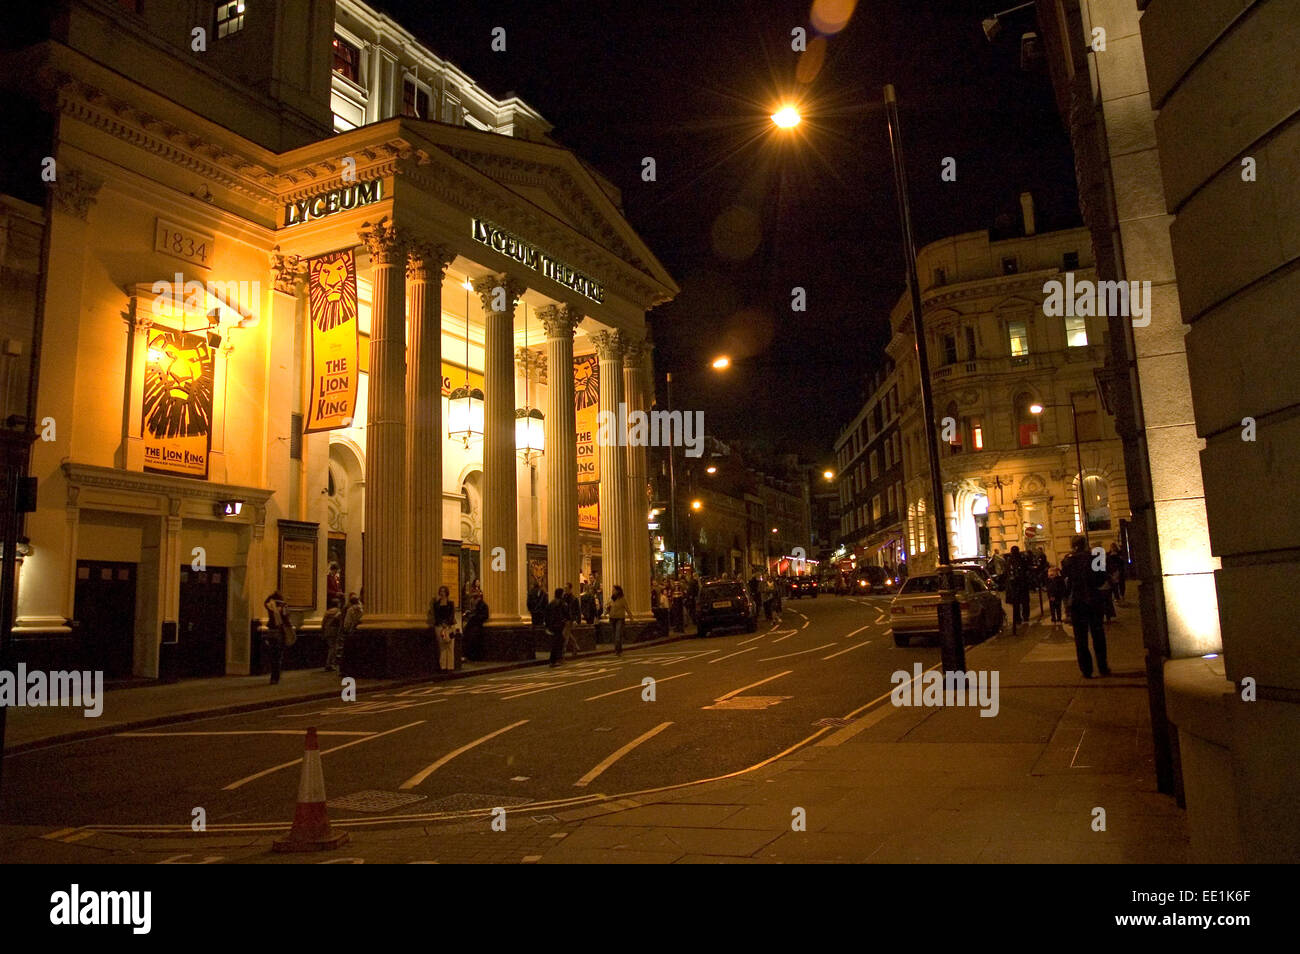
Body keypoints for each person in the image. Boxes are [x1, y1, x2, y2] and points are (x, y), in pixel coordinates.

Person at [1062, 534, 1110, 677]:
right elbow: (1101, 580)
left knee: (1080, 638)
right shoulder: (1095, 558)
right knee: (1098, 635)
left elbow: (1067, 584)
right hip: (1094, 600)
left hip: (1077, 602)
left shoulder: (1067, 561)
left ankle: (1086, 670)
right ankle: (1102, 667)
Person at [262, 590, 288, 684]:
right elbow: (286, 619)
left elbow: (265, 602)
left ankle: (273, 677)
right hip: (279, 632)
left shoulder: (270, 607)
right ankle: (276, 677)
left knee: (273, 655)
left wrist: (270, 596)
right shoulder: (283, 608)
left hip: (270, 632)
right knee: (278, 655)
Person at [1004, 546, 1032, 634]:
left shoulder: (1010, 560)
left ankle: (1018, 618)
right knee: (1023, 602)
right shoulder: (1021, 559)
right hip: (1021, 584)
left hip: (1016, 585)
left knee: (1017, 603)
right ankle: (1024, 617)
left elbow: (1007, 572)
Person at [429, 586, 456, 671]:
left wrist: (447, 623)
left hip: (450, 626)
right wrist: (442, 623)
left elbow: (452, 614)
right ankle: (443, 666)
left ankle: (450, 666)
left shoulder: (451, 603)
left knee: (450, 645)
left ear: (447, 593)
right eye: (441, 591)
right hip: (439, 626)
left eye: (444, 591)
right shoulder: (436, 604)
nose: (442, 593)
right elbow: (436, 615)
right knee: (442, 646)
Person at [544, 587, 570, 667]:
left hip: (552, 625)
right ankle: (555, 660)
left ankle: (556, 659)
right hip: (559, 625)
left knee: (558, 641)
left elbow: (546, 615)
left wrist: (547, 625)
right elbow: (566, 614)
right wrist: (566, 620)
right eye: (563, 593)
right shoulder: (562, 603)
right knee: (558, 642)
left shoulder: (551, 603)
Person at [340, 592, 363, 673]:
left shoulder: (350, 610)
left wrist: (345, 629)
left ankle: (346, 670)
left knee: (348, 652)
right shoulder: (362, 609)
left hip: (351, 632)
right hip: (359, 631)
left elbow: (347, 622)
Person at [462, 592, 489, 660]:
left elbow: (483, 616)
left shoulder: (482, 605)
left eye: (474, 598)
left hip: (477, 626)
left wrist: (474, 616)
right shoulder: (477, 605)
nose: (473, 601)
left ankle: (472, 656)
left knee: (472, 640)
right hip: (474, 625)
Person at [606, 584, 629, 655]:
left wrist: (631, 618)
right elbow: (607, 607)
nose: (612, 591)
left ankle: (618, 650)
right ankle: (618, 649)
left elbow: (627, 608)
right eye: (612, 590)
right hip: (612, 618)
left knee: (618, 635)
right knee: (615, 635)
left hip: (620, 618)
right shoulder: (611, 598)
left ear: (618, 591)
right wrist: (607, 609)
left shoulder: (622, 599)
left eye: (614, 590)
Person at [321, 599, 343, 672]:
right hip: (335, 631)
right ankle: (330, 664)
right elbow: (340, 623)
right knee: (333, 648)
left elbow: (323, 623)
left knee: (331, 647)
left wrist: (323, 631)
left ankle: (329, 664)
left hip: (327, 631)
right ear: (338, 604)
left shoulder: (327, 612)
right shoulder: (338, 612)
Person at [562, 583, 582, 657]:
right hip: (563, 619)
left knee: (565, 636)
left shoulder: (574, 599)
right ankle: (575, 646)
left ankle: (562, 653)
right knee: (567, 634)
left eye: (566, 588)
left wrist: (577, 620)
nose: (565, 590)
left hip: (569, 620)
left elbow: (578, 610)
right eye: (564, 588)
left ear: (570, 589)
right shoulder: (563, 598)